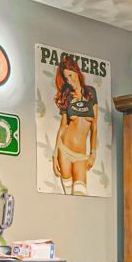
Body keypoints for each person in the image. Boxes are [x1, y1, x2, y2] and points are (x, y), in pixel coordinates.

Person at [50, 55, 99, 194]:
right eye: (66, 78)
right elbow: (63, 127)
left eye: (70, 75)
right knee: (69, 199)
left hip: (81, 155)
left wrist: (93, 154)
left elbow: (94, 127)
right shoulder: (67, 95)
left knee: (80, 195)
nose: (69, 81)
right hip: (64, 150)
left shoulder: (91, 93)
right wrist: (55, 155)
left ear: (77, 72)